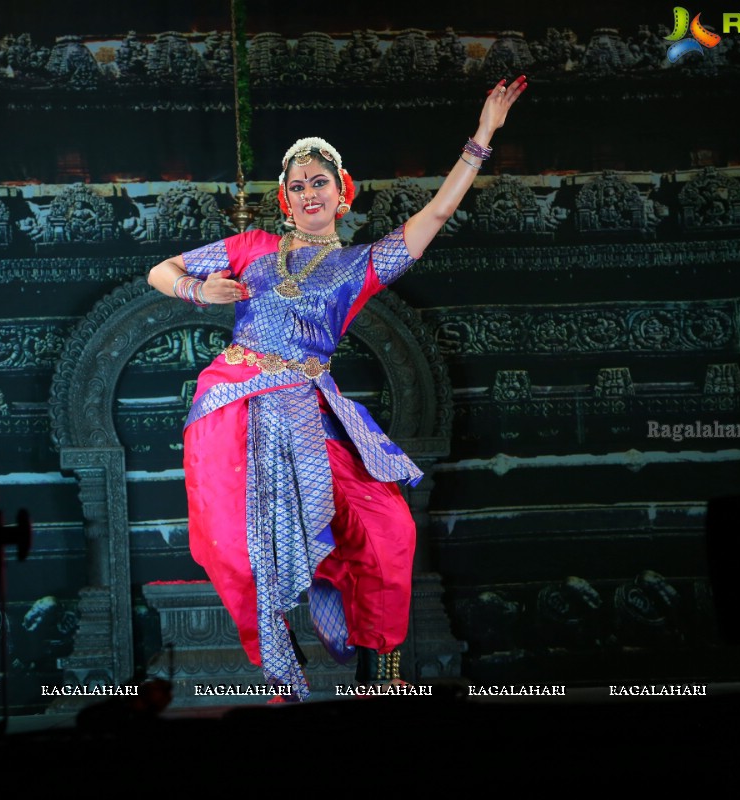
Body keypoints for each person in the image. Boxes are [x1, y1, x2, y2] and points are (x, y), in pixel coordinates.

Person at [148, 76, 527, 699]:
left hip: (307, 409)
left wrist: (482, 136)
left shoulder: (361, 267)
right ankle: (279, 673)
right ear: (285, 201)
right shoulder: (251, 248)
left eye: (318, 182)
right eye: (297, 186)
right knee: (240, 550)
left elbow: (434, 214)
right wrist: (195, 288)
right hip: (235, 404)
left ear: (341, 195)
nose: (308, 192)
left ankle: (380, 671)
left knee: (386, 530)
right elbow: (160, 270)